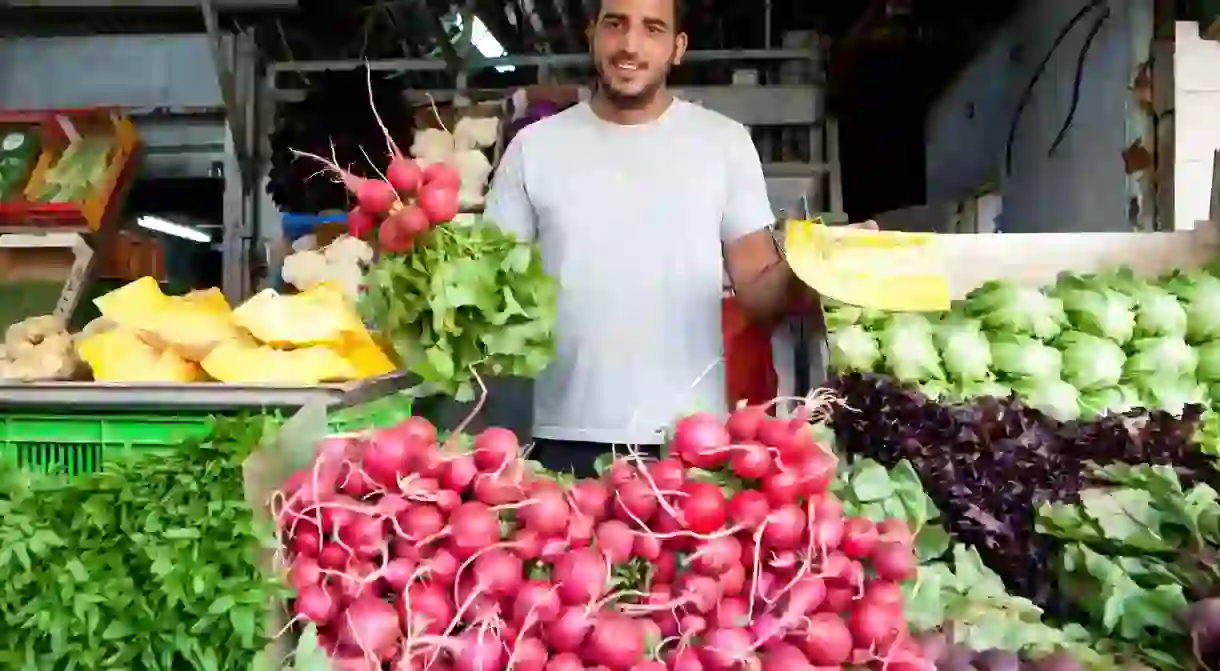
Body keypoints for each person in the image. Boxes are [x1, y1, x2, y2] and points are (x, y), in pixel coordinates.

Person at [484, 0, 875, 476]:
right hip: (566, 436)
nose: (629, 45)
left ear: (677, 47)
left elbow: (758, 292)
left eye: (652, 29)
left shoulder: (723, 143)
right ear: (592, 35)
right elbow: (492, 292)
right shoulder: (534, 149)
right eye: (615, 25)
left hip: (689, 442)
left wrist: (814, 262)